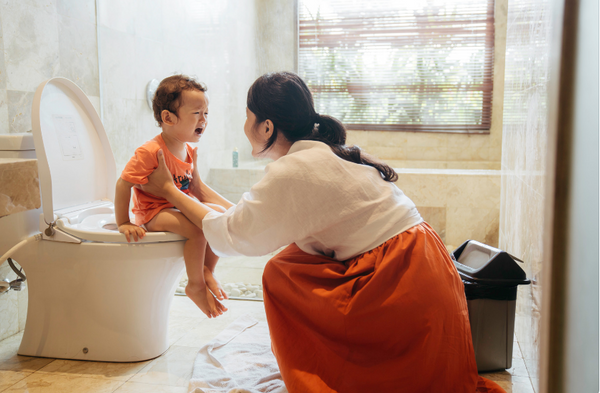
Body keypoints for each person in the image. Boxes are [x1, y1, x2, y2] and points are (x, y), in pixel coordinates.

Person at [139, 72, 506, 393]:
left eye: (247, 117)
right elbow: (244, 219)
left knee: (280, 271)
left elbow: (235, 234)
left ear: (266, 127)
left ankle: (331, 366)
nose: (244, 125)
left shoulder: (295, 170)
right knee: (291, 259)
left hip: (401, 283)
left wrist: (170, 191)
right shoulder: (323, 155)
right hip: (424, 268)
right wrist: (197, 191)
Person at [114, 74, 228, 319]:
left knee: (217, 218)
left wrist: (233, 211)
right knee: (197, 231)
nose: (204, 120)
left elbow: (195, 189)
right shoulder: (151, 151)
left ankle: (207, 269)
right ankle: (195, 284)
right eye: (197, 113)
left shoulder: (189, 150)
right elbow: (123, 185)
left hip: (178, 207)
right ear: (168, 118)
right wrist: (123, 222)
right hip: (154, 213)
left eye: (206, 113)